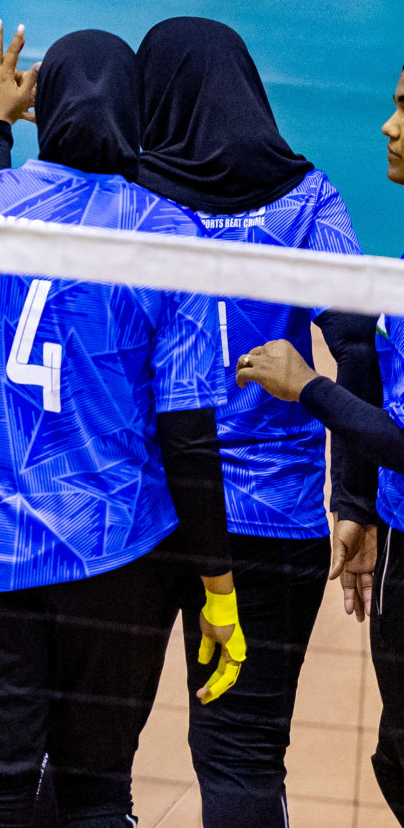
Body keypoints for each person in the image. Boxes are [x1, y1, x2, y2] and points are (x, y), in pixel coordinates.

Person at [0, 27, 244, 828]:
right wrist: (218, 586)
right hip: (118, 559)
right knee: (95, 793)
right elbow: (187, 433)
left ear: (43, 111)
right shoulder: (171, 234)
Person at [131, 17, 379, 826]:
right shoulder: (309, 200)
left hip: (138, 514)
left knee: (88, 740)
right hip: (269, 525)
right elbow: (356, 348)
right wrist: (355, 501)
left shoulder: (128, 199)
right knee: (242, 752)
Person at [237, 63, 404, 820]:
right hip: (398, 537)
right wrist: (360, 506)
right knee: (396, 756)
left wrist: (308, 387)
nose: (387, 126)